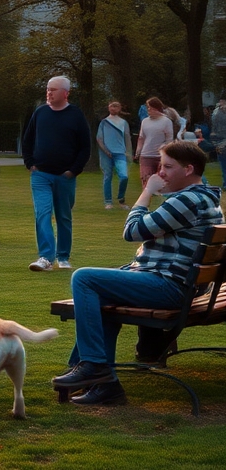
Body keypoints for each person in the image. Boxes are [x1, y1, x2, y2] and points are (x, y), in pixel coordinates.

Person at [51, 140, 223, 406]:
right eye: (159, 166)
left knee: (84, 278)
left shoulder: (188, 200)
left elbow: (132, 232)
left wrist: (146, 193)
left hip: (169, 287)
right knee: (100, 295)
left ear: (188, 169)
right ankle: (99, 380)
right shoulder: (206, 198)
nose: (160, 173)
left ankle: (93, 367)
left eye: (167, 166)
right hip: (183, 285)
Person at [21, 76, 91, 272]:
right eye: (47, 89)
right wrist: (30, 163)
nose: (49, 93)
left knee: (63, 216)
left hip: (64, 176)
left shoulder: (75, 115)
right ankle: (45, 257)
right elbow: (27, 140)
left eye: (53, 89)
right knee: (42, 214)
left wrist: (73, 171)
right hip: (40, 175)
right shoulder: (40, 112)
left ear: (65, 93)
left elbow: (85, 147)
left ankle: (63, 256)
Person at [96, 101, 131, 211]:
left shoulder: (123, 122)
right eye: (111, 106)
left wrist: (129, 152)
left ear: (120, 108)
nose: (113, 108)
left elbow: (127, 138)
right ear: (108, 108)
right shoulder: (104, 122)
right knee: (107, 176)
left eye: (116, 106)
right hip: (106, 153)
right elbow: (99, 138)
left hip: (120, 152)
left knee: (124, 176)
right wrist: (105, 151)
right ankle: (108, 202)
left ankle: (121, 199)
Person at [135, 98, 175, 188]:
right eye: (148, 108)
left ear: (156, 108)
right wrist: (138, 151)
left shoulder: (166, 121)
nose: (148, 110)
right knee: (147, 183)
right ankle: (145, 200)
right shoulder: (145, 121)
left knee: (161, 183)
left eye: (150, 108)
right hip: (146, 156)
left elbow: (169, 139)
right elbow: (141, 138)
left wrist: (164, 148)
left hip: (160, 156)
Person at [211, 97, 226, 187]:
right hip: (220, 141)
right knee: (223, 163)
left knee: (223, 164)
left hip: (220, 141)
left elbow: (214, 129)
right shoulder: (216, 113)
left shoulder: (216, 112)